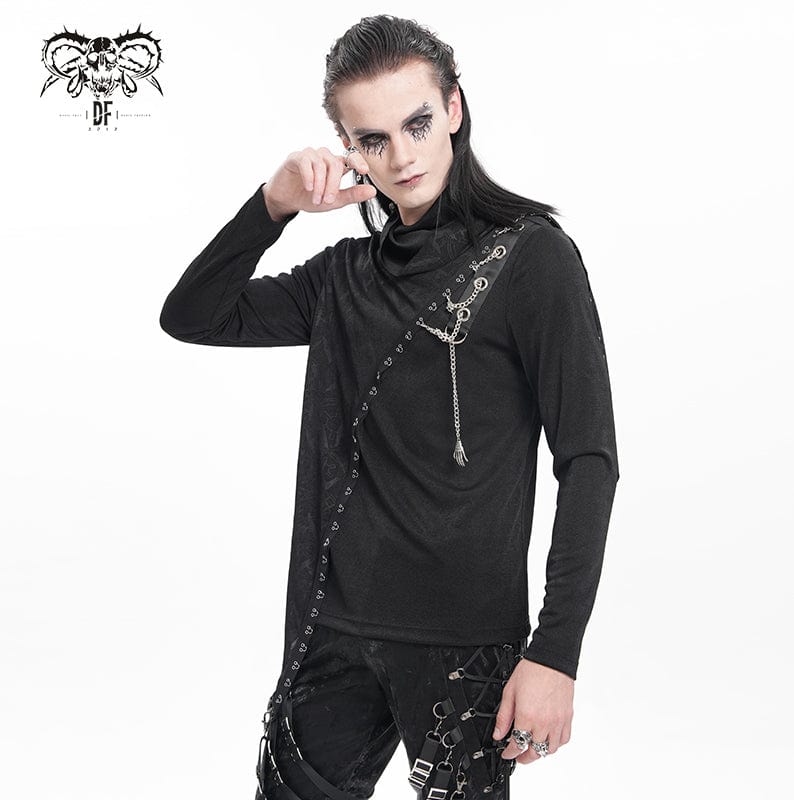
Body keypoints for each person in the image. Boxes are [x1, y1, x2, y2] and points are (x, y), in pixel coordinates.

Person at [160, 14, 619, 800]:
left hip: (466, 647)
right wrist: (273, 203)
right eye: (372, 139)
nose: (401, 157)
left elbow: (588, 461)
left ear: (454, 108)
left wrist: (556, 652)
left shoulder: (530, 258)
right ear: (348, 146)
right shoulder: (344, 277)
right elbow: (194, 314)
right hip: (333, 633)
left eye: (417, 123)